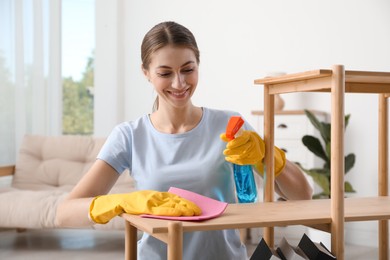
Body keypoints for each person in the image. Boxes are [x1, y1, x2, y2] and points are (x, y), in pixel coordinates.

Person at [56, 21, 313, 259]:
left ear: (198, 65)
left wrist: (268, 154)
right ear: (146, 72)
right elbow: (64, 214)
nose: (179, 83)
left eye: (187, 70)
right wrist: (121, 202)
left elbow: (302, 194)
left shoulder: (230, 126)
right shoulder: (129, 136)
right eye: (165, 73)